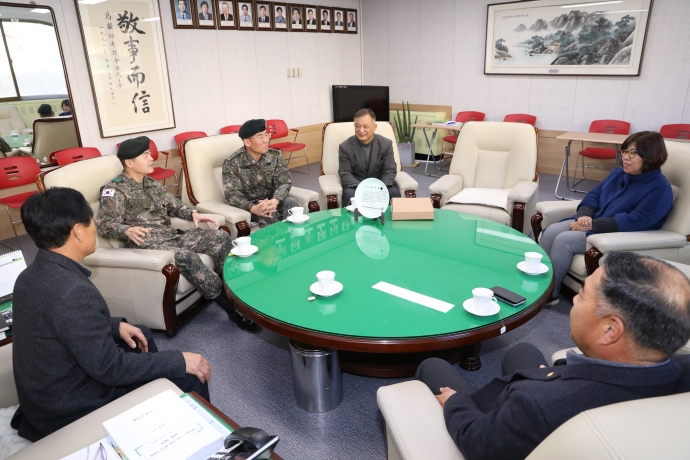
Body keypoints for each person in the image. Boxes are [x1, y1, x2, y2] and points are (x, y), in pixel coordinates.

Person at [415, 251, 690, 460]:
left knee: (432, 365)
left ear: (609, 330)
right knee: (522, 350)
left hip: (499, 429)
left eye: (582, 295)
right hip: (555, 407)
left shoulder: (537, 404)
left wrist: (455, 403)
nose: (575, 300)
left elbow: (479, 444)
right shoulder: (683, 369)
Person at [11, 187, 212, 441]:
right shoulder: (72, 290)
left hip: (47, 395)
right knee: (189, 377)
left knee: (140, 335)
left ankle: (158, 406)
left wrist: (114, 326)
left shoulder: (29, 276)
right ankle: (201, 442)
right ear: (77, 231)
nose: (94, 227)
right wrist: (179, 360)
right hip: (68, 408)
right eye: (90, 221)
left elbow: (61, 322)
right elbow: (109, 368)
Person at [96, 136, 255, 329]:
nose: (151, 158)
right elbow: (105, 225)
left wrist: (193, 213)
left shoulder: (150, 183)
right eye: (145, 155)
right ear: (129, 162)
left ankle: (229, 289)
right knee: (188, 257)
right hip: (149, 247)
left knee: (220, 237)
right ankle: (233, 312)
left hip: (171, 237)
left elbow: (173, 205)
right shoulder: (114, 190)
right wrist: (127, 229)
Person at [539, 131, 673, 305]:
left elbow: (637, 220)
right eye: (624, 151)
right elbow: (594, 195)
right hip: (595, 224)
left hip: (618, 234)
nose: (625, 157)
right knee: (551, 231)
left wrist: (593, 225)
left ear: (650, 156)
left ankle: (549, 293)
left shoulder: (660, 188)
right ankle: (537, 280)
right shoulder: (619, 173)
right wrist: (585, 214)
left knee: (564, 239)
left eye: (633, 153)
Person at [222, 119, 299, 228]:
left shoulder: (274, 156)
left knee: (293, 207)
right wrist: (253, 208)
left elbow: (285, 181)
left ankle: (297, 237)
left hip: (273, 199)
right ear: (247, 142)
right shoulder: (232, 162)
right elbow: (232, 194)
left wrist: (275, 200)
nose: (266, 140)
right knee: (268, 216)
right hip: (251, 206)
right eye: (260, 137)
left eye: (266, 135)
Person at [338, 108, 400, 207]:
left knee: (394, 193)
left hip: (380, 185)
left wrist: (378, 189)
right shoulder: (345, 147)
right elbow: (345, 173)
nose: (361, 130)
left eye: (365, 126)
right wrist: (364, 189)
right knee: (349, 194)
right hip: (355, 186)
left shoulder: (386, 144)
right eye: (357, 126)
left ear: (374, 127)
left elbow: (390, 170)